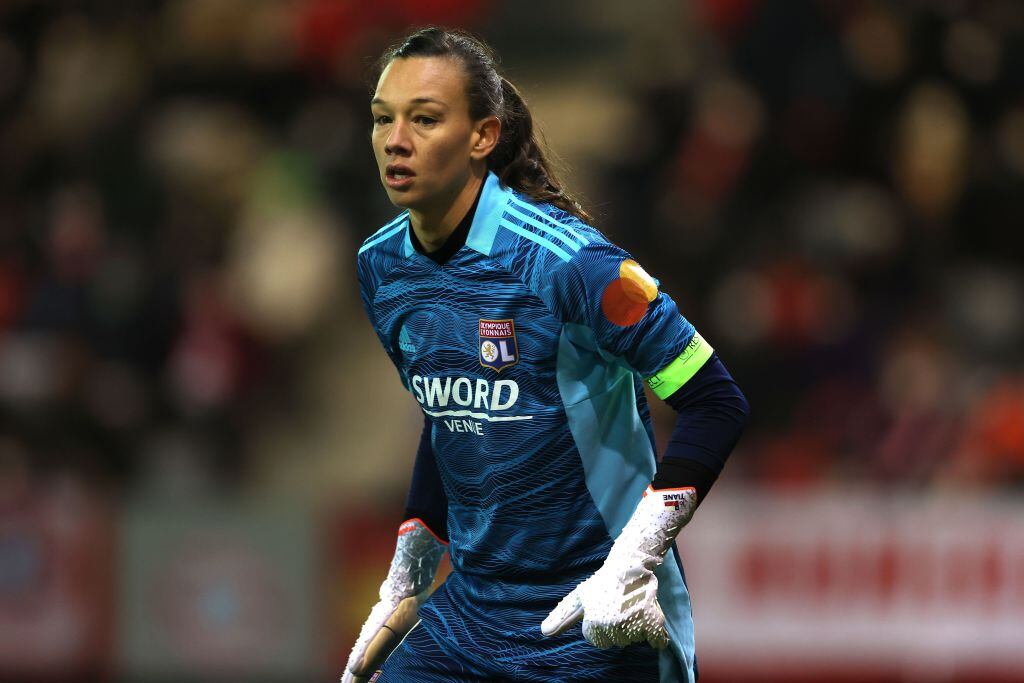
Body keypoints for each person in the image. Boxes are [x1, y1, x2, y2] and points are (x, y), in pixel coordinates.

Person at [343, 27, 748, 683]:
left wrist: (632, 562)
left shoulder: (574, 264)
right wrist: (404, 583)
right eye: (382, 118)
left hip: (595, 615)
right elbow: (450, 421)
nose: (396, 139)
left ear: (482, 136)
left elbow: (716, 401)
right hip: (470, 618)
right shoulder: (381, 268)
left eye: (425, 119)